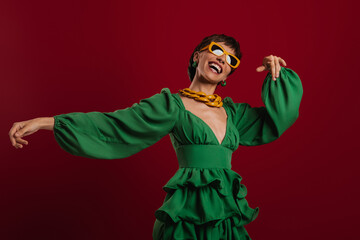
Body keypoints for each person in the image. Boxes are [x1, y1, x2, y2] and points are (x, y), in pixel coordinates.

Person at [9, 34, 303, 239]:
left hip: (226, 214)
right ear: (198, 54)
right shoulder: (169, 106)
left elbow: (277, 121)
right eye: (217, 50)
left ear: (227, 75)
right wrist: (47, 122)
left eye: (231, 60)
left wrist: (279, 76)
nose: (223, 59)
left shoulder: (233, 113)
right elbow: (115, 125)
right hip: (186, 214)